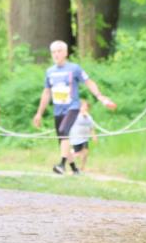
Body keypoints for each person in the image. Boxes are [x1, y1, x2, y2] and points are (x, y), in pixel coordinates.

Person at [32, 40, 116, 175]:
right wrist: (39, 113)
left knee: (64, 131)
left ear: (65, 53)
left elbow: (89, 82)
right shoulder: (50, 72)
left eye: (59, 51)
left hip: (72, 107)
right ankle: (75, 169)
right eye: (53, 52)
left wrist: (100, 97)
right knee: (62, 140)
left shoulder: (74, 68)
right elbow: (46, 93)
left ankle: (61, 165)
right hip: (58, 109)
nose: (56, 54)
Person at [69, 99, 98, 172]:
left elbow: (91, 128)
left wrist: (94, 136)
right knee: (77, 153)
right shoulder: (75, 115)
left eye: (86, 106)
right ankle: (70, 155)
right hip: (75, 138)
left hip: (85, 138)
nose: (85, 108)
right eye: (84, 106)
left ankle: (82, 167)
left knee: (86, 152)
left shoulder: (89, 117)